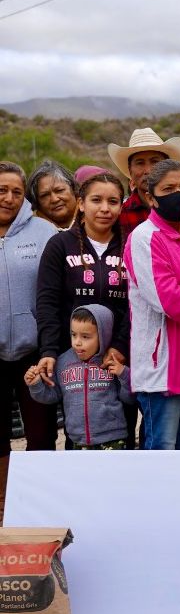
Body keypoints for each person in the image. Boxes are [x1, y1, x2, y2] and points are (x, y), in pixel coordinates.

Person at [123, 159, 180, 450]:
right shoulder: (143, 238)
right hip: (162, 370)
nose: (178, 193)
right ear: (151, 196)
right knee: (162, 453)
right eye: (168, 188)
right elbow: (169, 300)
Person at [0, 162, 58, 517]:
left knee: (41, 432)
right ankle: (4, 505)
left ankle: (39, 506)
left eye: (16, 192)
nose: (8, 198)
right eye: (1, 191)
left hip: (34, 350)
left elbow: (53, 292)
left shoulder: (44, 232)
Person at [35, 170, 129, 388]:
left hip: (116, 359)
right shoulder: (59, 245)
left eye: (113, 201)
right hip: (71, 356)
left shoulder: (132, 245)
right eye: (96, 200)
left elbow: (137, 304)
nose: (105, 208)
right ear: (81, 204)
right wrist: (48, 349)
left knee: (121, 420)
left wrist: (121, 347)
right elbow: (47, 301)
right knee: (77, 421)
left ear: (121, 206)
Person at [25, 305, 134, 450]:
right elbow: (52, 396)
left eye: (85, 336)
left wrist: (124, 373)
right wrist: (36, 384)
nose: (77, 342)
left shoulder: (112, 362)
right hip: (77, 441)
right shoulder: (62, 362)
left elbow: (130, 399)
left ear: (104, 334)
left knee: (111, 473)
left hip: (113, 439)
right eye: (73, 334)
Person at [110, 127, 180, 238]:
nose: (148, 170)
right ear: (130, 170)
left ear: (167, 166)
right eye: (140, 163)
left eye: (155, 161)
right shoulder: (118, 214)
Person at [28, 161, 78, 230]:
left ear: (73, 189)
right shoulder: (30, 232)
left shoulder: (94, 221)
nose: (54, 199)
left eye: (59, 190)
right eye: (45, 195)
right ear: (37, 202)